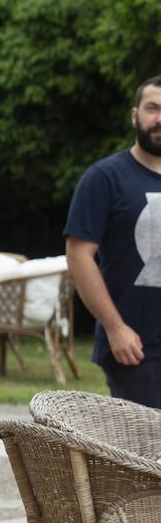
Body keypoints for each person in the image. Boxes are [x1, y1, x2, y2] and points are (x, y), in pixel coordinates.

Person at [64, 75, 161, 409]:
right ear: (135, 115)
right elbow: (79, 256)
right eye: (153, 109)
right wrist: (115, 327)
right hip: (136, 348)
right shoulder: (105, 178)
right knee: (145, 457)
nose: (159, 119)